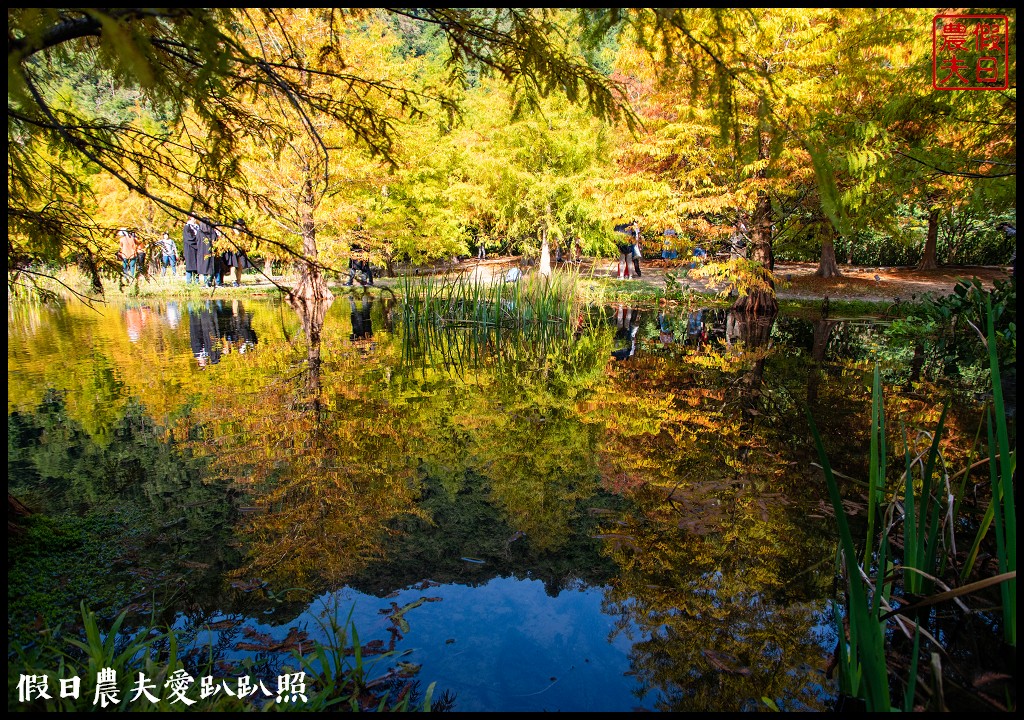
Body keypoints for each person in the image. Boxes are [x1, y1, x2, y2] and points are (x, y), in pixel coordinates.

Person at [223, 218, 255, 286]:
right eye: (241, 225)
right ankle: (233, 281)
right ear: (236, 225)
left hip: (240, 251)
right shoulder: (230, 231)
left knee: (240, 266)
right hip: (233, 251)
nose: (242, 226)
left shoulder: (243, 232)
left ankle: (238, 280)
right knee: (233, 266)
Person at [182, 214, 202, 284]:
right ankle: (189, 282)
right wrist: (197, 240)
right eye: (193, 217)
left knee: (197, 265)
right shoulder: (187, 227)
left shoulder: (197, 227)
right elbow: (188, 238)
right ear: (190, 218)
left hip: (197, 249)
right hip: (189, 248)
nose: (194, 218)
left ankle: (197, 281)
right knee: (190, 265)